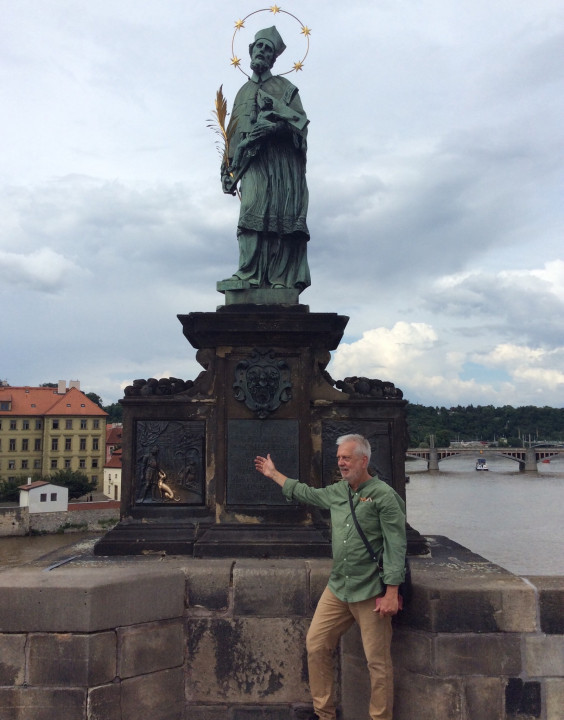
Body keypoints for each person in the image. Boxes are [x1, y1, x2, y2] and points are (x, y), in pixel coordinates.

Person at [254, 434, 406, 720]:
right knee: (316, 644)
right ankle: (325, 715)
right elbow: (307, 493)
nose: (341, 463)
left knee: (378, 663)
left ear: (364, 460)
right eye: (339, 458)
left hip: (370, 591)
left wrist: (391, 592)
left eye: (346, 458)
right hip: (338, 587)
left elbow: (396, 545)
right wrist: (273, 474)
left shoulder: (384, 495)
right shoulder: (339, 491)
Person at [219, 26, 311, 292]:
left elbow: (300, 126)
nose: (262, 51)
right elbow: (232, 136)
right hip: (252, 163)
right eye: (259, 46)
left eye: (268, 49)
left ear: (273, 58)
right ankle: (247, 273)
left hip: (281, 165)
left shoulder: (286, 88)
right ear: (250, 50)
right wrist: (227, 169)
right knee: (251, 210)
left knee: (279, 218)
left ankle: (281, 279)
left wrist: (276, 128)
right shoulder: (241, 92)